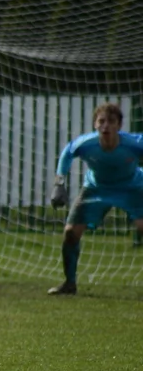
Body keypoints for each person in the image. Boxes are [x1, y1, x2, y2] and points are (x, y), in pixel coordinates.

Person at [48, 101, 143, 295]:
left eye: (111, 121)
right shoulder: (86, 144)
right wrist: (59, 185)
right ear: (95, 124)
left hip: (132, 188)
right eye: (101, 121)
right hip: (95, 189)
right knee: (70, 233)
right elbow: (67, 153)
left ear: (119, 125)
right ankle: (69, 283)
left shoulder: (134, 144)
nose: (106, 126)